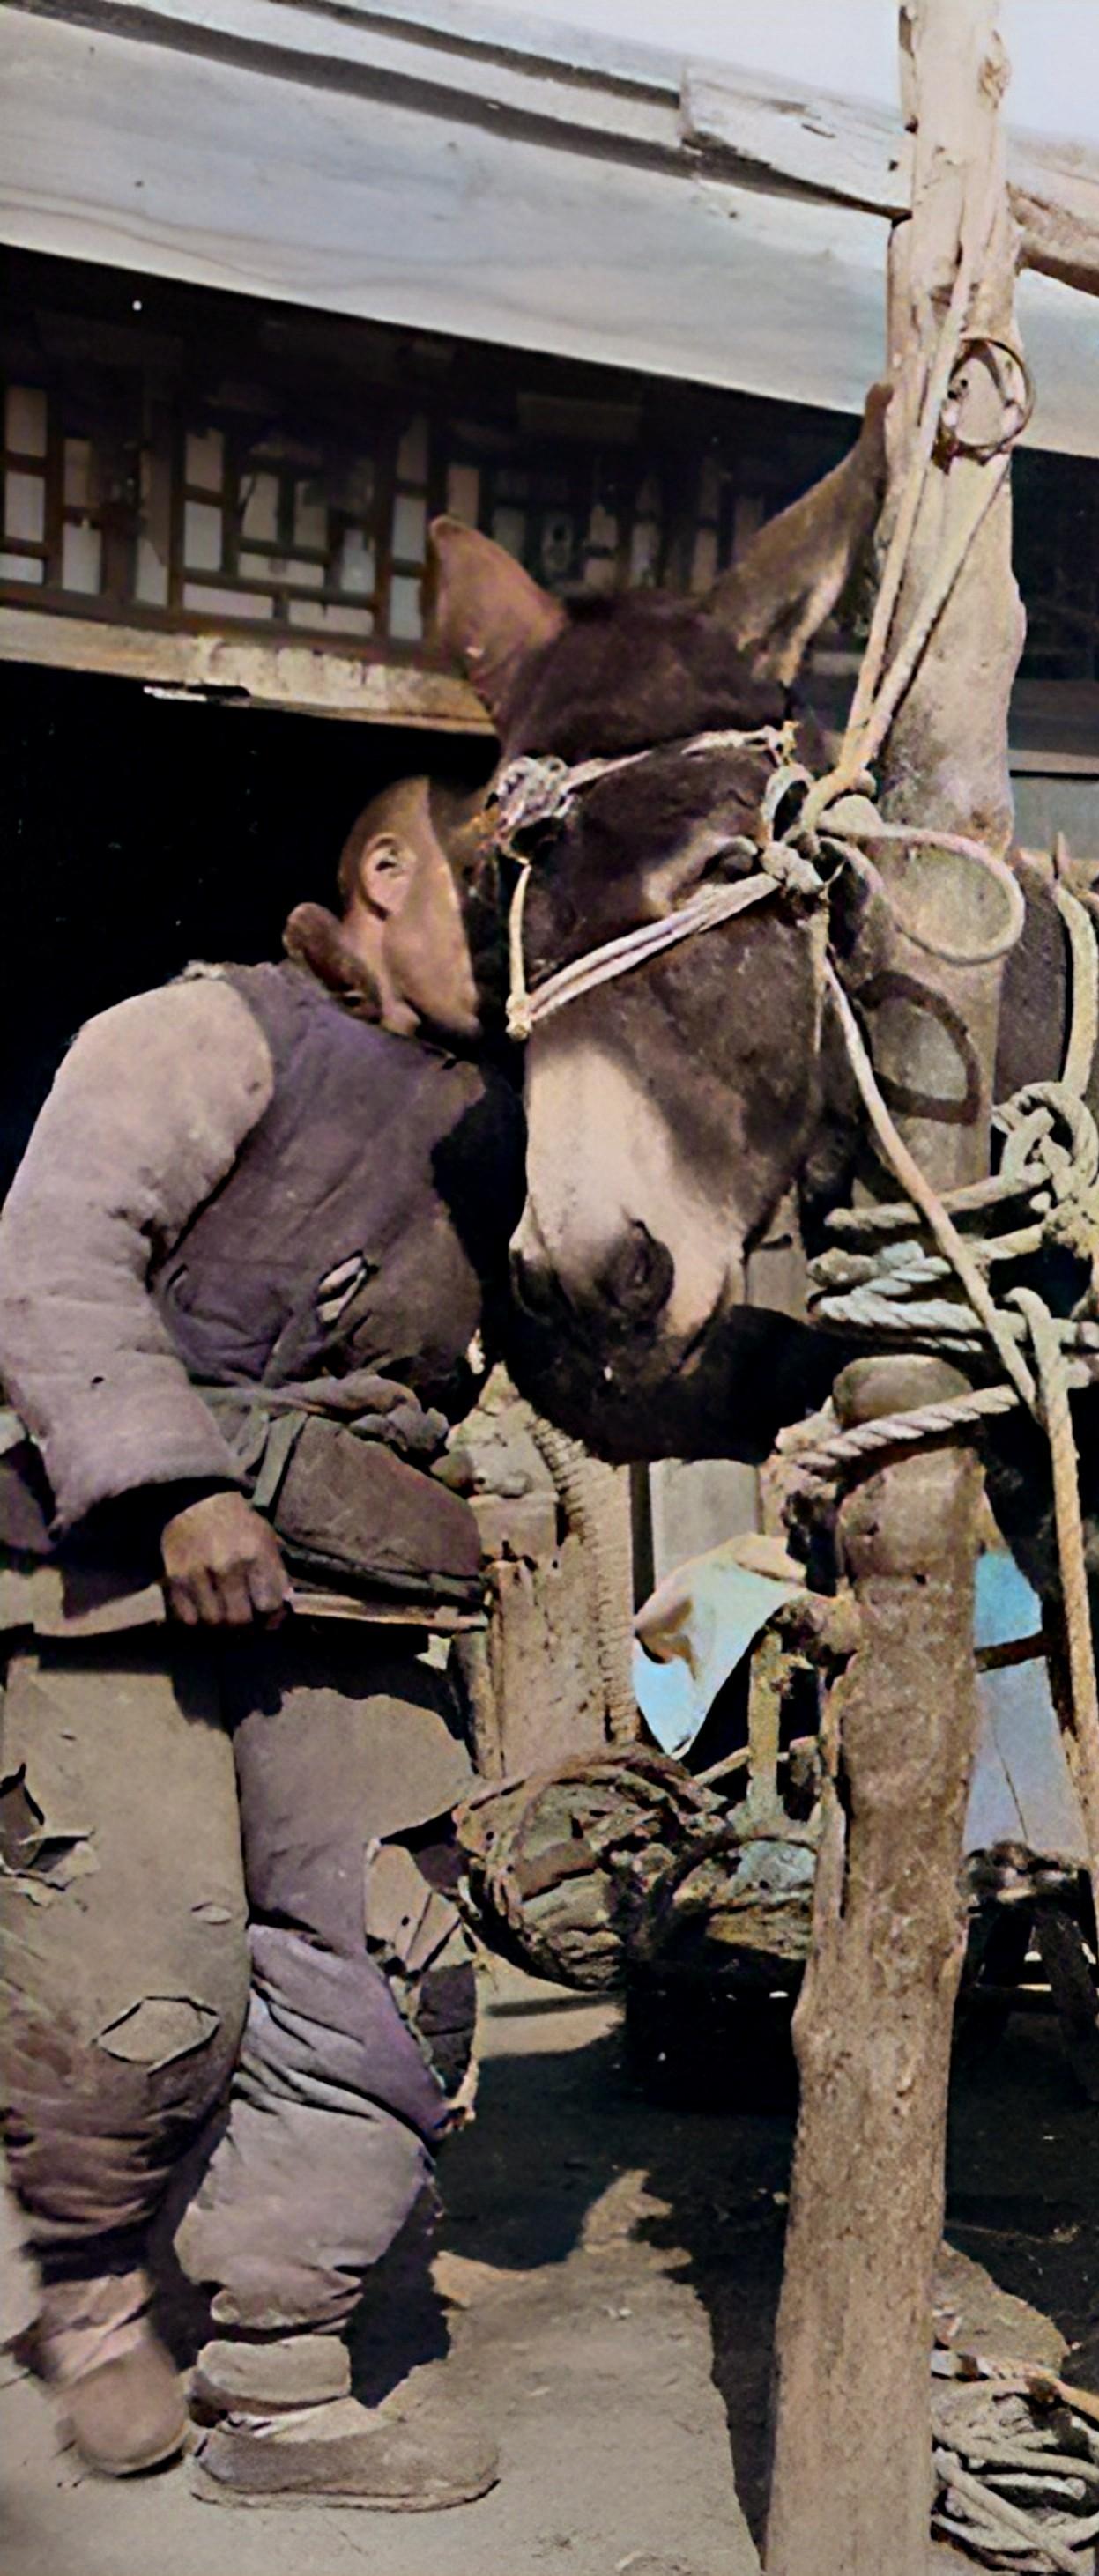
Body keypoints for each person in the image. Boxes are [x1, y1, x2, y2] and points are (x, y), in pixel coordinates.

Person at [0, 774, 518, 2508]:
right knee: (137, 1960)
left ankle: (281, 2376)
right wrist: (172, 1483)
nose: (524, 941)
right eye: (494, 892)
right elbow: (56, 1244)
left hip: (352, 1589)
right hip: (108, 1568)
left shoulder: (513, 1116)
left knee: (386, 1969)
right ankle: (82, 2291)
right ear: (386, 874)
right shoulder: (211, 1030)